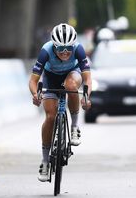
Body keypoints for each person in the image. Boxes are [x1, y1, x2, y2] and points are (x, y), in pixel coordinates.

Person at [28, 23, 92, 182]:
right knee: (50, 117)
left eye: (68, 48)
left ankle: (74, 126)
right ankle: (44, 161)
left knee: (71, 86)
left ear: (73, 45)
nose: (65, 52)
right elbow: (33, 80)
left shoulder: (78, 49)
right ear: (54, 46)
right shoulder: (46, 51)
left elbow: (87, 78)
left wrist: (86, 97)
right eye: (60, 48)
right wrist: (35, 94)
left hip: (72, 74)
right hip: (51, 78)